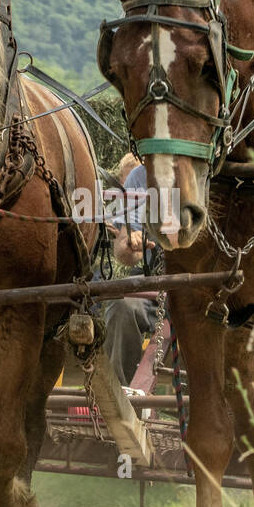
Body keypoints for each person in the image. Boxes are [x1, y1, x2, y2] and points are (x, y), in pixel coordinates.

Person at [100, 153, 162, 386]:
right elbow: (124, 254)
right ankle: (118, 400)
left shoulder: (209, 168)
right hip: (152, 279)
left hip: (200, 281)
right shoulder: (139, 177)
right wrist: (130, 242)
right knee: (121, 305)